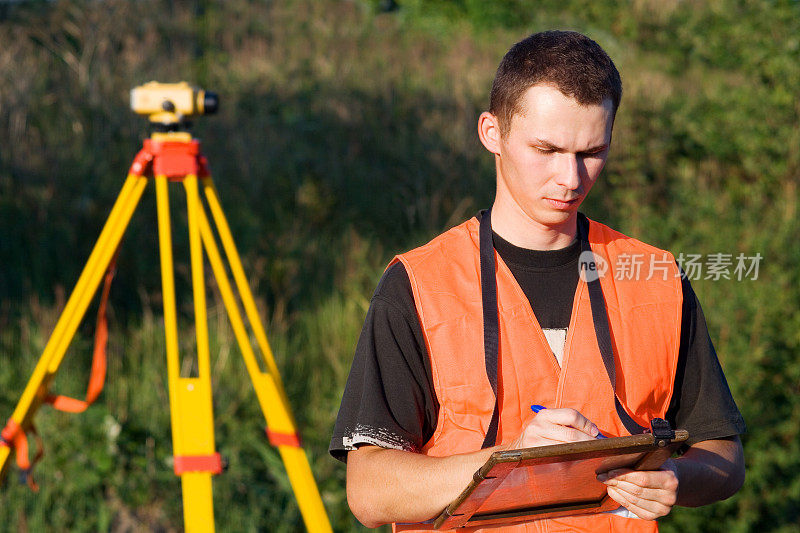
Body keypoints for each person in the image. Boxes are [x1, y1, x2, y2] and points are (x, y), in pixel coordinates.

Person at [330, 30, 745, 532]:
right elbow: (370, 492)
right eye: (546, 150)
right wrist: (508, 460)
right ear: (491, 132)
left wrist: (678, 475)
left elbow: (723, 454)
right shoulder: (417, 285)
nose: (570, 178)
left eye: (591, 151)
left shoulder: (657, 278)